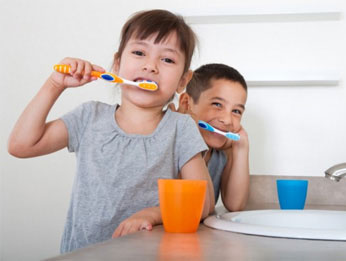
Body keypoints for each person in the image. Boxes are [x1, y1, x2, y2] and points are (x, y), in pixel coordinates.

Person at [8, 9, 214, 253]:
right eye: (139, 53)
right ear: (117, 64)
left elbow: (205, 202)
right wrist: (55, 84)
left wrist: (154, 214)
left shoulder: (180, 128)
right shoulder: (89, 117)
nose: (150, 66)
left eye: (167, 59)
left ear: (182, 81)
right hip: (81, 254)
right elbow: (21, 145)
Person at [175, 63, 250, 212]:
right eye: (217, 104)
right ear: (186, 103)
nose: (227, 120)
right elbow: (183, 204)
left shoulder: (220, 154)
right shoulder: (167, 143)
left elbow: (235, 205)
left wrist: (241, 147)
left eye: (236, 111)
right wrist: (190, 135)